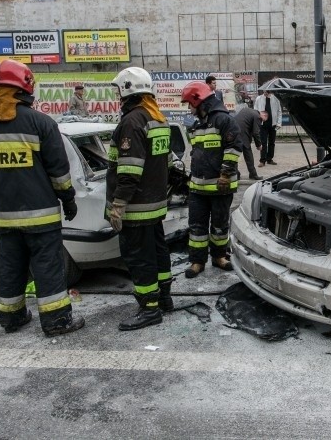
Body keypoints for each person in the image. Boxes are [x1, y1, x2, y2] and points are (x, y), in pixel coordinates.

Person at [0, 60, 84, 336]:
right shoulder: (40, 123)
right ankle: (56, 321)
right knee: (47, 266)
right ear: (25, 88)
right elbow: (59, 172)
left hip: (4, 217)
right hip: (41, 214)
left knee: (10, 266)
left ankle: (12, 318)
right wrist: (68, 199)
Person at [107, 67, 174, 330]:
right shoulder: (157, 119)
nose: (117, 96)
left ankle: (149, 309)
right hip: (154, 205)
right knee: (158, 252)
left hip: (135, 208)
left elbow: (130, 171)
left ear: (126, 90)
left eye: (118, 91)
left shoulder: (131, 122)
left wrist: (118, 205)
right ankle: (164, 299)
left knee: (139, 257)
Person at [180, 82, 242, 278]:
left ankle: (219, 257)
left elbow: (233, 149)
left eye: (190, 104)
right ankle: (197, 261)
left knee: (219, 225)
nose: (189, 109)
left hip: (220, 186)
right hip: (198, 188)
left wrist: (225, 174)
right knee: (197, 227)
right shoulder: (197, 124)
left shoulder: (224, 120)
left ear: (200, 102)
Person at [233, 106, 267, 180]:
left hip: (233, 130)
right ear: (264, 115)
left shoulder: (249, 110)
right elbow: (255, 132)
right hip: (242, 134)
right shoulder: (258, 116)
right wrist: (259, 145)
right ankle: (253, 174)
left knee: (234, 154)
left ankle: (236, 174)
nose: (262, 122)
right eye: (263, 120)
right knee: (248, 155)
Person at [253, 89, 281, 167]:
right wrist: (258, 120)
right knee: (263, 143)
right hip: (263, 124)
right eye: (264, 91)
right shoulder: (259, 98)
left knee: (272, 142)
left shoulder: (275, 99)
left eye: (267, 91)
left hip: (273, 124)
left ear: (270, 91)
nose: (265, 92)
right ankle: (262, 160)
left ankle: (270, 159)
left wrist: (279, 123)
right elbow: (255, 110)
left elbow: (279, 111)